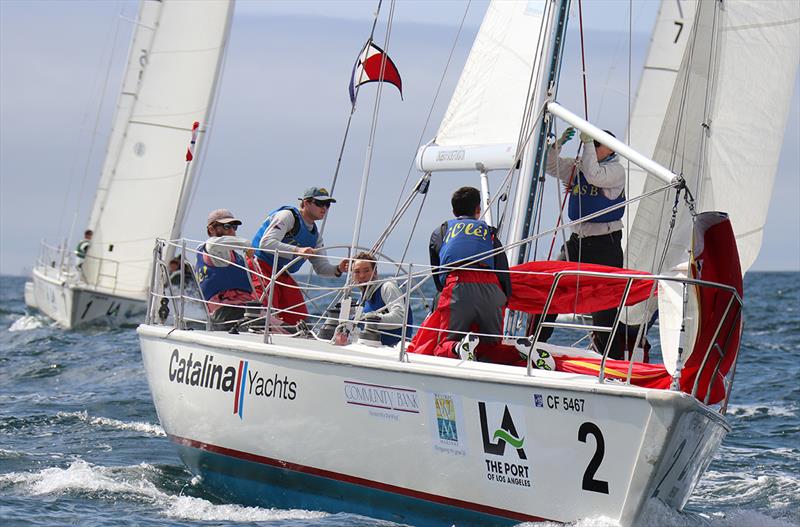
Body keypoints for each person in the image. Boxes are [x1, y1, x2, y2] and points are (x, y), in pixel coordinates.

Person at [428, 186, 544, 366]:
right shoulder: (489, 233)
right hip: (491, 288)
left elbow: (438, 276)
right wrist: (503, 299)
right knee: (490, 347)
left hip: (458, 285)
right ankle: (522, 353)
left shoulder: (441, 231)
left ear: (453, 211)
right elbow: (502, 270)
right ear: (478, 210)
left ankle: (458, 348)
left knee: (443, 346)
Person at [540, 126, 627, 356]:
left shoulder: (616, 171)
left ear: (610, 149)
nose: (594, 147)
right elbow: (548, 165)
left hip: (605, 246)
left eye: (598, 144)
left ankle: (612, 362)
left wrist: (588, 143)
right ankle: (534, 343)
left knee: (604, 309)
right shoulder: (578, 167)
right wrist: (557, 144)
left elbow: (593, 175)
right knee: (552, 287)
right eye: (593, 143)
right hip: (578, 242)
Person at [250, 187, 348, 325]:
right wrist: (298, 250)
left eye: (327, 205)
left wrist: (338, 269)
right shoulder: (287, 216)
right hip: (259, 265)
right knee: (267, 311)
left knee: (298, 316)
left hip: (281, 272)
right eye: (320, 204)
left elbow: (321, 268)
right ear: (306, 203)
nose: (324, 208)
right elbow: (266, 243)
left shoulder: (315, 236)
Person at [195, 209, 256, 330]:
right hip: (225, 311)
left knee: (287, 329)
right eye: (227, 226)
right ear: (211, 230)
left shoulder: (235, 256)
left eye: (234, 227)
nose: (232, 231)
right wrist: (246, 244)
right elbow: (213, 244)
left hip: (246, 308)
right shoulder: (212, 249)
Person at [351, 252, 412, 346]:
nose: (362, 276)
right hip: (372, 347)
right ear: (352, 275)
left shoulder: (387, 287)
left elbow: (401, 317)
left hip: (394, 350)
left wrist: (371, 319)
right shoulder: (362, 300)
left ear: (375, 272)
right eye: (357, 272)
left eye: (366, 271)